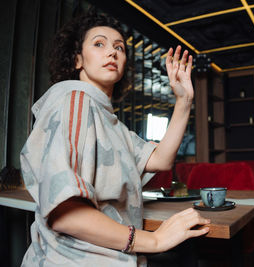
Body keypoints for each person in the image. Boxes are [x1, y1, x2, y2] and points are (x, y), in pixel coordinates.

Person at [20, 11, 210, 267]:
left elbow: (161, 159)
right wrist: (154, 240)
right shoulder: (75, 101)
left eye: (119, 47)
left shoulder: (111, 121)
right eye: (99, 44)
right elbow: (67, 216)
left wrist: (184, 100)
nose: (112, 52)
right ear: (77, 60)